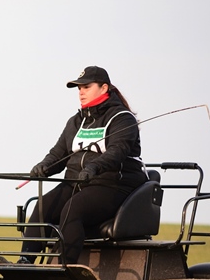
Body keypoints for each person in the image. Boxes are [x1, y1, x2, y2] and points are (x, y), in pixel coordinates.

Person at [17, 66, 148, 265]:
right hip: (77, 182)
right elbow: (58, 154)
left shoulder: (122, 118)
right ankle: (25, 263)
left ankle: (62, 269)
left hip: (112, 184)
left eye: (86, 87)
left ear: (104, 88)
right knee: (43, 205)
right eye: (79, 88)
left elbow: (117, 152)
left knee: (72, 209)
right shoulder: (76, 121)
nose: (81, 92)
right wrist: (43, 167)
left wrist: (94, 167)